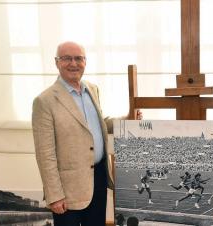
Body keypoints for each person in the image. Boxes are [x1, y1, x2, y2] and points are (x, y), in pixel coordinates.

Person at [32, 41, 141, 226]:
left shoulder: (92, 89)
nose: (73, 63)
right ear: (56, 62)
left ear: (85, 62)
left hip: (98, 179)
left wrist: (128, 118)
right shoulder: (45, 101)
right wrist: (55, 196)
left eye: (78, 58)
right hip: (68, 191)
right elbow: (45, 154)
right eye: (67, 58)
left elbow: (99, 124)